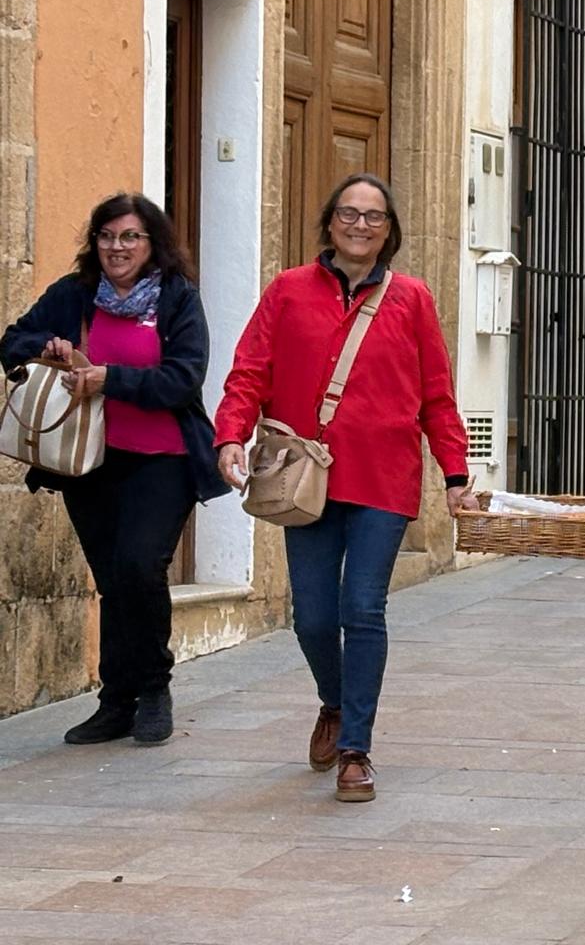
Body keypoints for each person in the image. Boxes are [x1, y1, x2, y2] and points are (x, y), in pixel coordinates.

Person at [214, 174, 473, 803]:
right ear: (330, 222)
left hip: (383, 479)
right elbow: (250, 369)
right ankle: (333, 701)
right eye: (349, 214)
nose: (361, 225)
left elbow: (436, 395)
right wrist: (230, 435)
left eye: (375, 217)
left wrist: (455, 473)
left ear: (390, 231)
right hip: (303, 481)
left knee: (363, 609)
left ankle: (356, 746)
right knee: (312, 616)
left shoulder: (411, 299)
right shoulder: (288, 291)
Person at [0, 194, 229, 747]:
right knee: (112, 579)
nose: (116, 247)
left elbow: (183, 379)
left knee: (139, 567)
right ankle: (116, 702)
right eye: (106, 236)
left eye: (130, 237)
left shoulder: (177, 299)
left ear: (153, 244)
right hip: (89, 460)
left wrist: (109, 379)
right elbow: (11, 343)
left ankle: (154, 691)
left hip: (164, 460)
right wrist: (47, 346)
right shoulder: (75, 294)